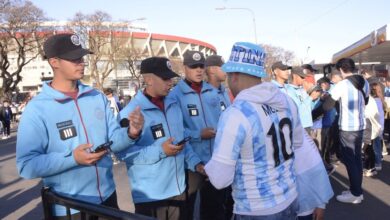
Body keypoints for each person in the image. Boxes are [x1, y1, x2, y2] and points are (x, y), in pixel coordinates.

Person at [16, 33, 144, 218]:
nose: (82, 62)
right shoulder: (37, 109)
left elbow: (114, 142)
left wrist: (131, 133)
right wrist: (72, 159)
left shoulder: (96, 97)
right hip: (69, 207)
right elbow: (26, 165)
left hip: (108, 199)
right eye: (74, 59)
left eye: (82, 57)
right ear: (54, 62)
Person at [205, 42, 304, 219]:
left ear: (233, 75)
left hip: (256, 208)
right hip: (290, 197)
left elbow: (220, 179)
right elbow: (298, 143)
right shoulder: (288, 102)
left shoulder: (236, 114)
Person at [118, 57, 203, 220]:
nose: (170, 82)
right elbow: (124, 154)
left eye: (170, 78)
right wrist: (161, 151)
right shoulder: (131, 113)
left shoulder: (173, 105)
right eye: (165, 78)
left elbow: (182, 137)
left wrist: (195, 163)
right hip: (151, 196)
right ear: (148, 79)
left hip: (178, 190)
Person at [169, 50, 225, 219]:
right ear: (185, 68)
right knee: (190, 208)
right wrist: (198, 134)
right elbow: (175, 130)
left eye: (201, 66)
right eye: (194, 67)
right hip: (192, 163)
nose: (199, 70)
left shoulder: (212, 91)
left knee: (215, 206)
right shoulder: (175, 95)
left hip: (215, 159)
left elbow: (223, 119)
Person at [313, 58, 369, 204]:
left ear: (341, 69)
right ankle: (356, 190)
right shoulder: (365, 82)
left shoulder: (342, 84)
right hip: (360, 125)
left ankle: (355, 193)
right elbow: (366, 101)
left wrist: (312, 115)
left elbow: (327, 106)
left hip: (347, 127)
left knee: (351, 160)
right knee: (356, 159)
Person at [205, 54, 234, 219]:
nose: (226, 70)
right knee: (211, 208)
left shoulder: (225, 92)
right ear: (212, 70)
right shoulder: (202, 93)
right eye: (222, 67)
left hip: (227, 156)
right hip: (208, 159)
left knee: (228, 203)